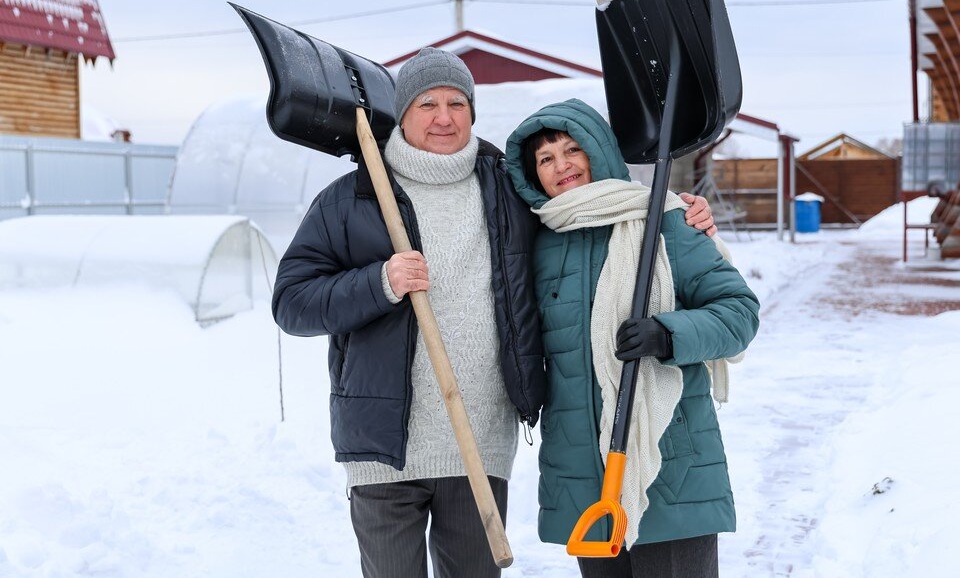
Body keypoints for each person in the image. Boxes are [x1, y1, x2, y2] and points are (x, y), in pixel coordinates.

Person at [272, 48, 716, 578]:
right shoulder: (351, 199)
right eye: (427, 103)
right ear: (402, 113)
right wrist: (378, 282)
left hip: (480, 441)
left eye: (457, 102)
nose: (443, 117)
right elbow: (291, 303)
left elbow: (585, 213)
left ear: (473, 112)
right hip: (382, 444)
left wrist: (676, 215)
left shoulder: (508, 189)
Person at [504, 98, 760, 578]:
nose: (561, 166)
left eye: (571, 150)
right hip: (584, 474)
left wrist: (668, 334)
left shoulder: (663, 219)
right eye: (545, 158)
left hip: (668, 462)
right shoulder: (536, 242)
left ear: (597, 150)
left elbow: (739, 312)